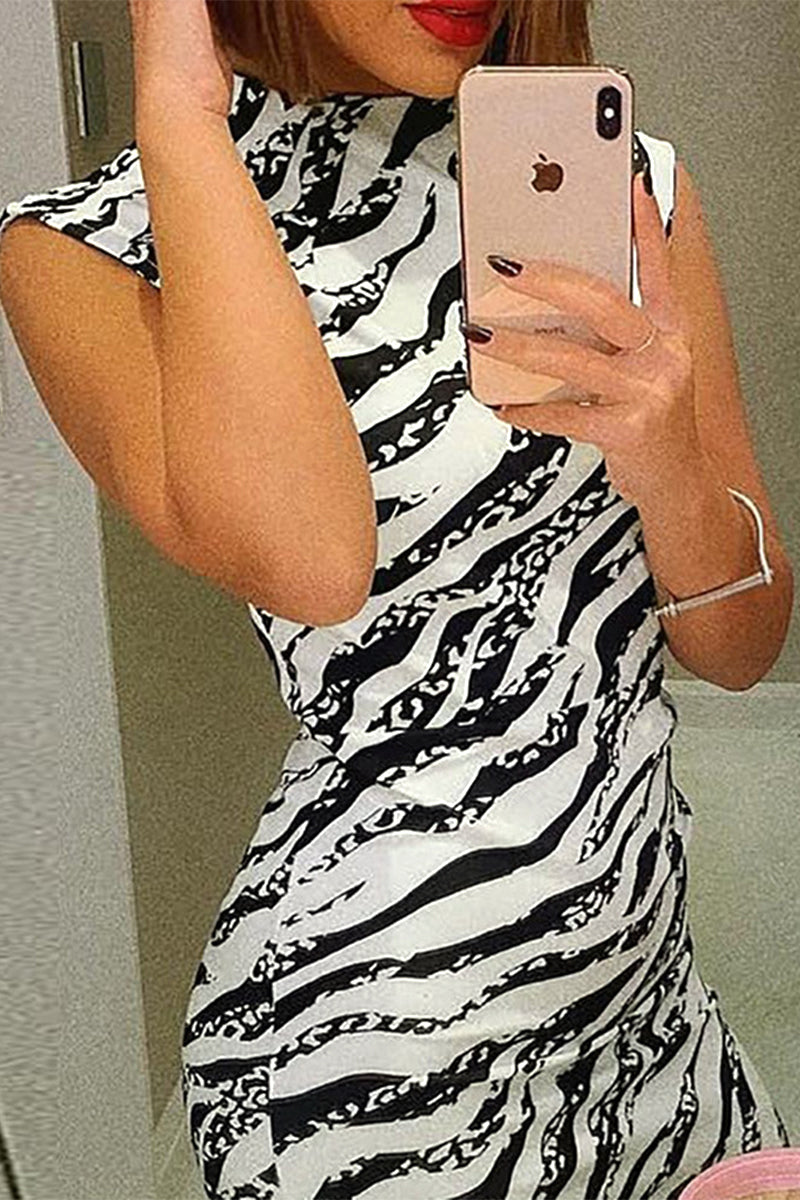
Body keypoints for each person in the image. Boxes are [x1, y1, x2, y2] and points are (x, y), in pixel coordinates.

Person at [0, 1, 794, 1197]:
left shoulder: (628, 189)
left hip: (657, 1024)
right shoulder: (88, 249)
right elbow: (315, 564)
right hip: (372, 1062)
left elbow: (740, 648)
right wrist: (179, 117)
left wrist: (668, 468)